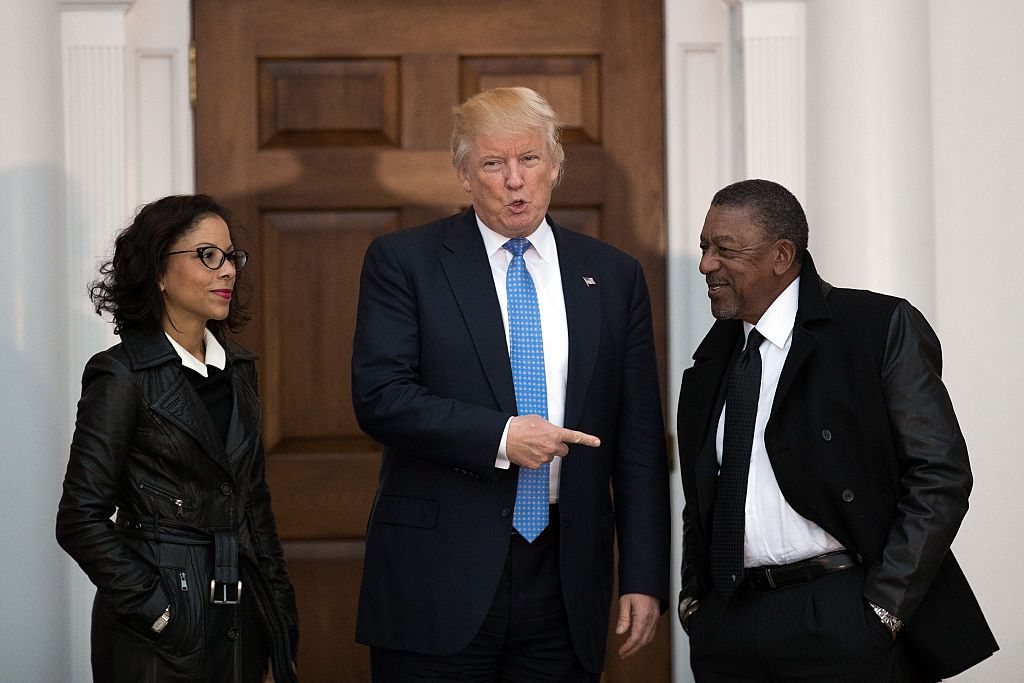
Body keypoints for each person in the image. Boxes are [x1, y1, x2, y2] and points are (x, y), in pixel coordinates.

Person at [351, 86, 670, 681]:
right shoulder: (405, 262)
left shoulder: (612, 275)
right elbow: (380, 398)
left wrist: (646, 577)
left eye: (528, 160)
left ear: (555, 166)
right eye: (493, 164)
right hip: (437, 576)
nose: (514, 181)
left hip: (565, 577)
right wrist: (501, 437)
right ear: (465, 175)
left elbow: (640, 441)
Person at [676, 179, 998, 681]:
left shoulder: (874, 327)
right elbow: (701, 496)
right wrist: (696, 603)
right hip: (729, 627)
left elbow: (940, 475)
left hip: (839, 616)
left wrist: (884, 608)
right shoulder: (711, 360)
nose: (705, 265)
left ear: (782, 256)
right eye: (703, 247)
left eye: (725, 250)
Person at [56, 195, 299, 682]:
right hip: (158, 637)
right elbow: (79, 518)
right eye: (208, 255)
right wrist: (159, 610)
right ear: (158, 272)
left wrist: (280, 629)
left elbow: (254, 506)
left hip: (241, 621)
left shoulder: (239, 369)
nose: (228, 270)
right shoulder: (121, 374)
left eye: (232, 256)